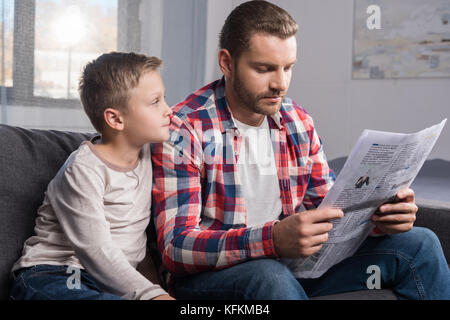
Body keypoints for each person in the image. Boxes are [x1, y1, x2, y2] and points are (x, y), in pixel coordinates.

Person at [151, 0, 450, 300]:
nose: (280, 83)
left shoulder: (297, 120)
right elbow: (175, 248)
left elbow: (330, 210)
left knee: (420, 243)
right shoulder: (184, 128)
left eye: (288, 67)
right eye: (264, 69)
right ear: (227, 62)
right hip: (213, 277)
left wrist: (381, 218)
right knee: (269, 276)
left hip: (291, 262)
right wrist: (273, 240)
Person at [9, 52, 175, 300]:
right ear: (115, 119)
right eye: (155, 102)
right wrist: (152, 295)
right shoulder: (84, 169)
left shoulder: (150, 153)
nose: (168, 110)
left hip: (109, 282)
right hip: (59, 273)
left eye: (164, 98)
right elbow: (96, 249)